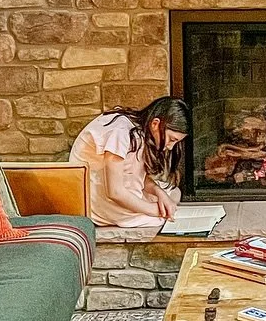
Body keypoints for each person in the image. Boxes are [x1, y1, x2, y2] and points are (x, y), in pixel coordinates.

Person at [68, 97, 189, 227]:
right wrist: (153, 210)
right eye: (172, 139)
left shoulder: (137, 130)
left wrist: (159, 192)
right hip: (94, 198)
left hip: (109, 186)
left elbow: (136, 176)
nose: (170, 147)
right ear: (155, 124)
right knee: (163, 215)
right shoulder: (121, 133)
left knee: (173, 194)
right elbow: (115, 192)